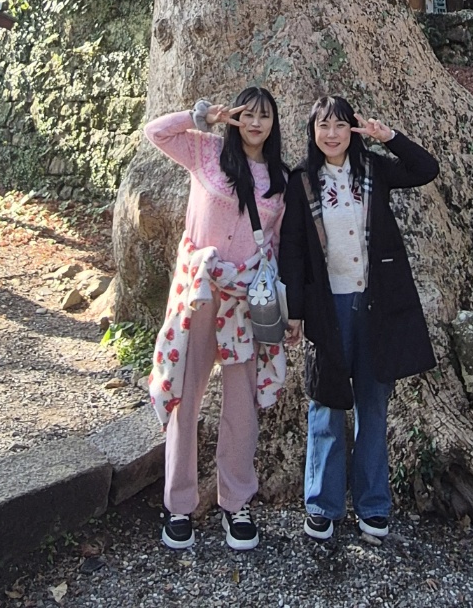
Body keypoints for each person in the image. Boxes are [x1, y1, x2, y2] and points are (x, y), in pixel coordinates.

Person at [279, 95, 439, 542]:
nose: (331, 134)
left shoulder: (373, 170)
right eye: (323, 126)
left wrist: (389, 137)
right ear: (312, 132)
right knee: (326, 403)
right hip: (326, 309)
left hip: (376, 305)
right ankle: (322, 504)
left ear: (352, 129)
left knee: (373, 405)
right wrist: (295, 312)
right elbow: (292, 250)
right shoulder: (302, 181)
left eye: (340, 125)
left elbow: (425, 169)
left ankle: (373, 504)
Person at [144, 87, 288, 552]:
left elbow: (277, 245)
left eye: (265, 116)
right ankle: (179, 504)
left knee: (241, 405)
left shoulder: (280, 180)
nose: (255, 123)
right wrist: (201, 116)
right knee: (186, 393)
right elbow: (155, 133)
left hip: (245, 300)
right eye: (248, 114)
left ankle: (236, 502)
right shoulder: (205, 152)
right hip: (199, 291)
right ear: (236, 118)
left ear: (274, 125)